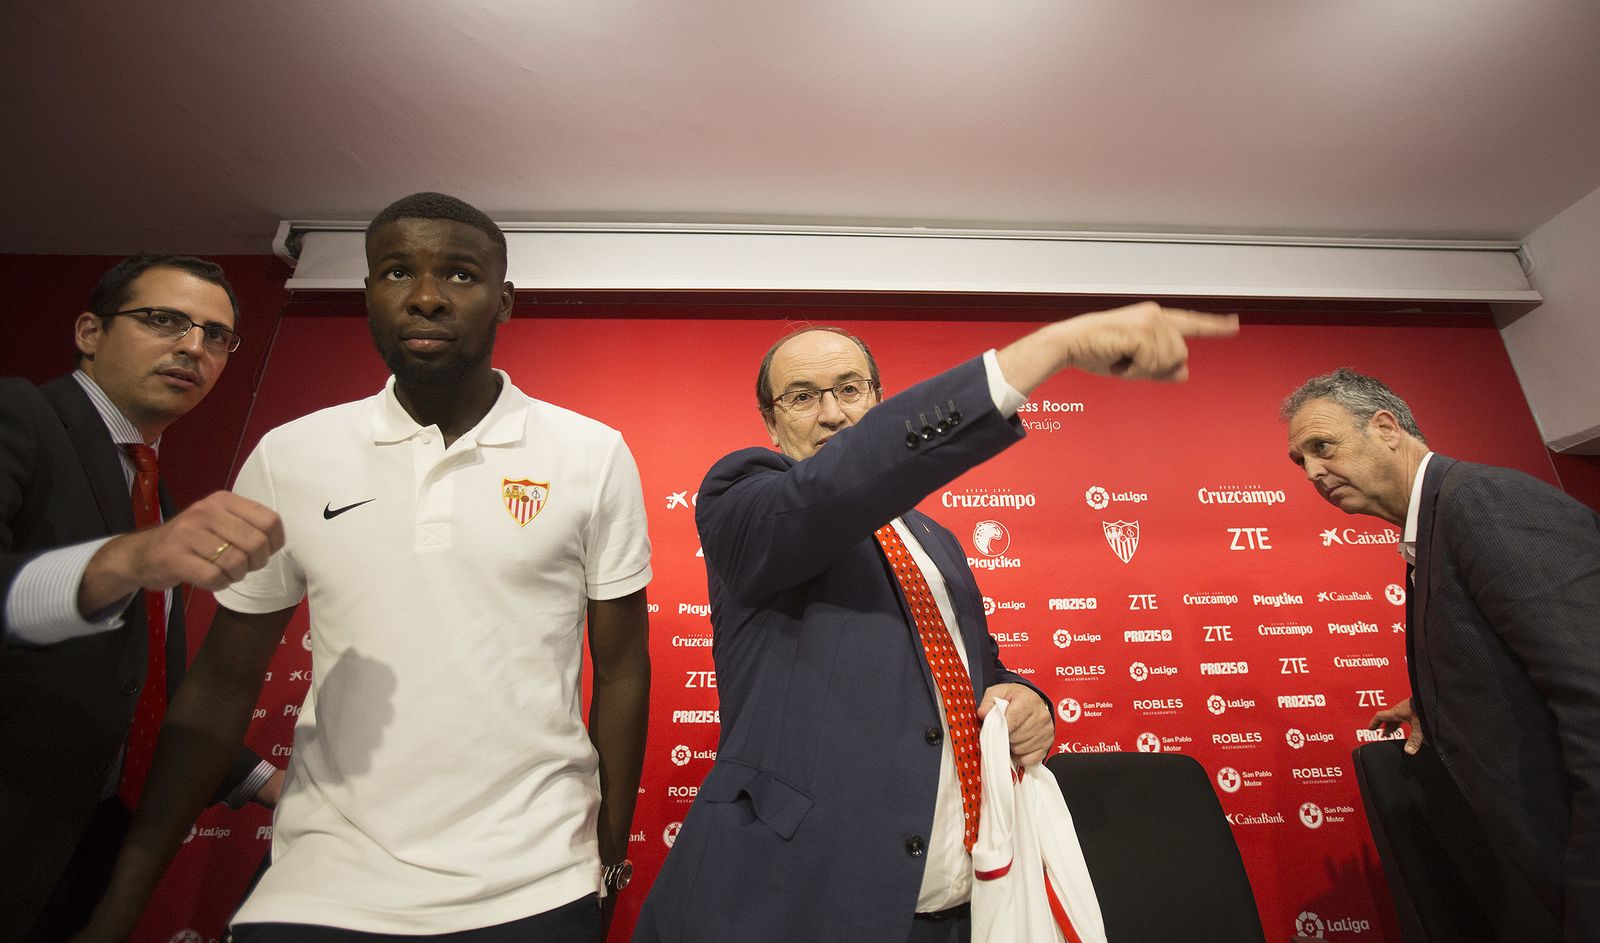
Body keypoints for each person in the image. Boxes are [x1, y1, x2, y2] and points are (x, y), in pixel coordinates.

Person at [77, 194, 653, 942]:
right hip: (320, 883)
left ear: (502, 299)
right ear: (368, 295)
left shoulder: (589, 452)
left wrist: (605, 866)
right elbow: (221, 683)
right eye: (394, 272)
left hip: (532, 880)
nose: (424, 297)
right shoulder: (293, 454)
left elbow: (623, 670)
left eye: (458, 274)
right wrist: (119, 910)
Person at [634, 304, 1238, 943]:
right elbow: (832, 487)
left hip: (959, 906)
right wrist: (1048, 351)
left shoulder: (934, 539)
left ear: (878, 398)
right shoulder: (745, 499)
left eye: (849, 390)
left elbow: (975, 669)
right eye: (802, 397)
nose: (833, 414)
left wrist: (1026, 699)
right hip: (802, 897)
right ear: (770, 421)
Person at [1, 255, 285, 942]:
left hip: (80, 853)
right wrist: (130, 557)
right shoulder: (20, 414)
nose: (193, 346)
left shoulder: (153, 489)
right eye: (164, 320)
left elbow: (142, 686)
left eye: (216, 335)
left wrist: (270, 784)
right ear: (90, 331)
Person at [1282, 368, 1599, 941]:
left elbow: (1592, 690)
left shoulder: (1482, 503)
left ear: (1385, 428)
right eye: (1299, 461)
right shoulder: (1432, 527)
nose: (1312, 472)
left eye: (1321, 447)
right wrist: (1440, 698)